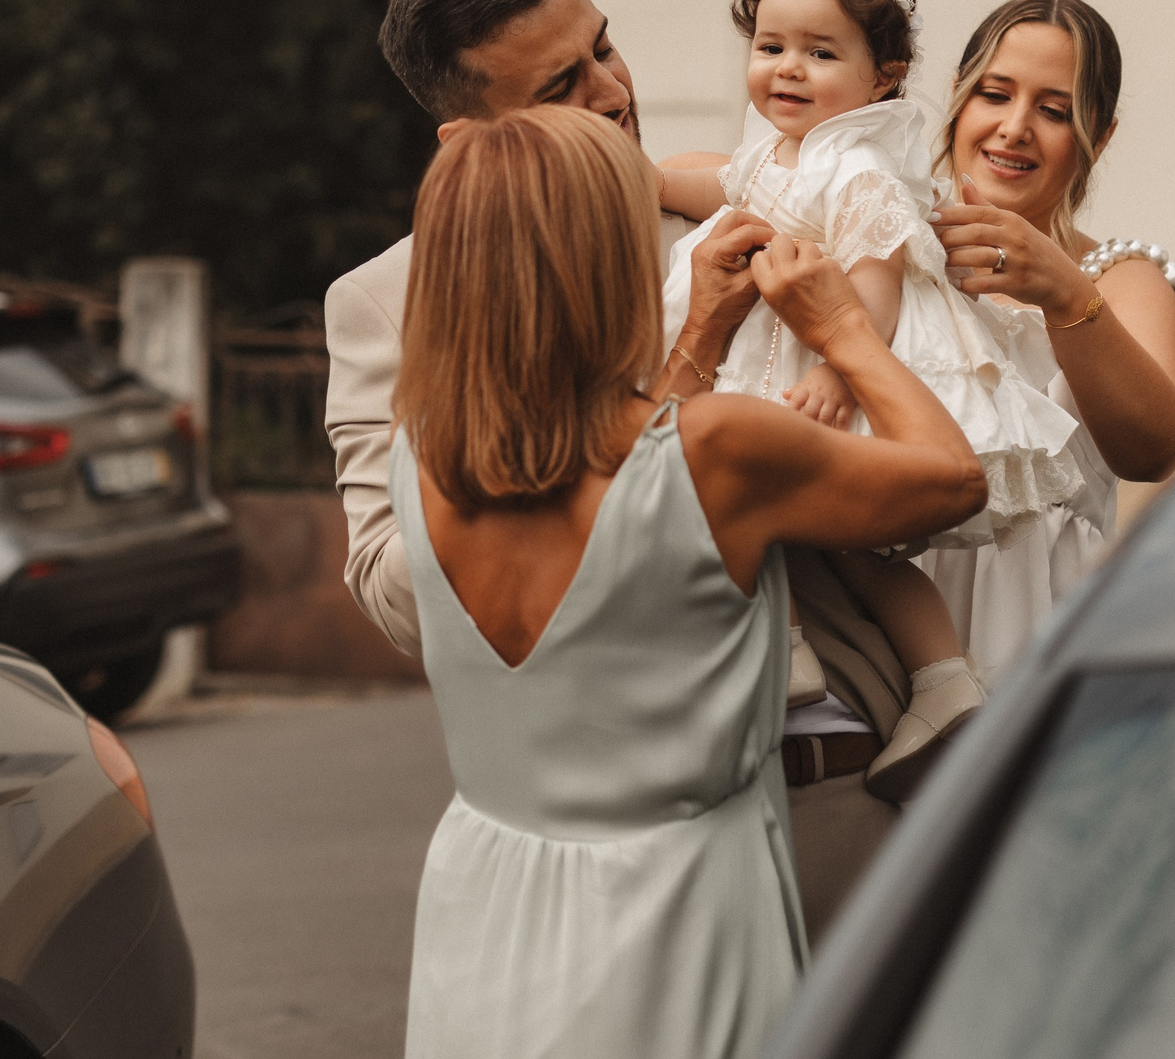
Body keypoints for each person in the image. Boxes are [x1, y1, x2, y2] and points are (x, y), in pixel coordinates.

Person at [325, 0, 913, 939]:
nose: (613, 91)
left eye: (606, 46)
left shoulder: (736, 220)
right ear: (468, 138)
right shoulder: (387, 300)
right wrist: (501, 393)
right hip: (607, 834)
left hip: (839, 766)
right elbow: (396, 595)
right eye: (563, 81)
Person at [393, 108, 982, 1059]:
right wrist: (842, 331)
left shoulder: (417, 452)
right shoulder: (721, 451)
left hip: (486, 907)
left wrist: (701, 338)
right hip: (672, 912)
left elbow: (624, 488)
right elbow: (951, 478)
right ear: (599, 267)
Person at [658, 0, 1085, 799]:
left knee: (830, 531)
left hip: (839, 366)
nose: (787, 68)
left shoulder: (856, 167)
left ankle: (883, 668)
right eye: (771, 46)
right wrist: (635, 177)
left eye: (820, 53)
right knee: (837, 541)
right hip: (785, 356)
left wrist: (835, 375)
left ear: (883, 76)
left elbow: (876, 285)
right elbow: (720, 187)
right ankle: (929, 681)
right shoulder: (781, 153)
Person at [922, 0, 1175, 677]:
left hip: (1048, 646)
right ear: (957, 99)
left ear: (1096, 138)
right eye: (994, 94)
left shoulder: (1123, 280)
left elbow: (1156, 450)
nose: (1014, 128)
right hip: (893, 620)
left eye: (1052, 111)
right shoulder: (885, 240)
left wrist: (1064, 292)